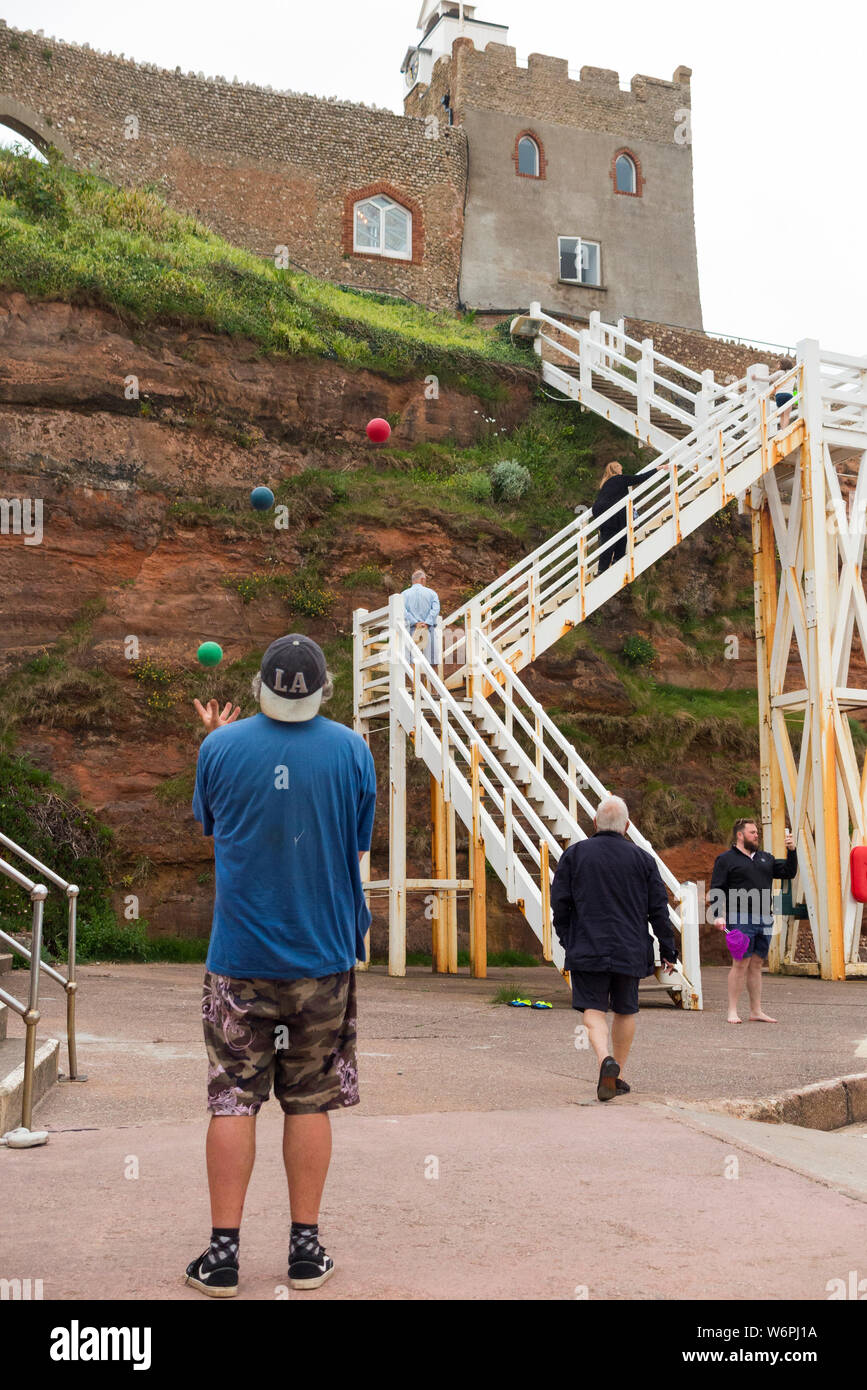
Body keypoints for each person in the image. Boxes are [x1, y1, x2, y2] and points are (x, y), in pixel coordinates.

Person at [185, 634, 376, 1297]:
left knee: (232, 1101)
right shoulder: (352, 750)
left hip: (238, 960)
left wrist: (218, 740)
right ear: (323, 691)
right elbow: (355, 841)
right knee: (309, 1101)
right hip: (321, 958)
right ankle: (303, 1252)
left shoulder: (218, 748)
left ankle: (222, 1257)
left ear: (263, 689)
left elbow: (209, 823)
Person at [551, 795, 678, 1101]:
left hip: (588, 946)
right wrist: (668, 949)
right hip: (630, 946)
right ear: (627, 826)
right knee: (625, 1010)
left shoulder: (575, 855)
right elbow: (658, 910)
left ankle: (603, 1060)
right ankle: (617, 1073)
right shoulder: (644, 860)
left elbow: (560, 904)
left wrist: (568, 938)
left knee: (593, 1011)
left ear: (594, 823)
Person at [708, 817, 796, 1024]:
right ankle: (732, 1010)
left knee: (757, 964)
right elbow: (717, 888)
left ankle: (756, 1011)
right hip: (739, 916)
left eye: (757, 832)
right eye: (752, 832)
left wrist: (792, 851)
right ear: (740, 835)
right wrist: (717, 914)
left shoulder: (766, 858)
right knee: (740, 963)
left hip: (765, 916)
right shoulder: (726, 859)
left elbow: (788, 873)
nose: (757, 835)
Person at [590, 459, 669, 574]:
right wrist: (657, 469)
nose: (622, 471)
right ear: (617, 470)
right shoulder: (620, 479)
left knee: (608, 538)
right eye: (621, 469)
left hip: (600, 511)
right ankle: (616, 560)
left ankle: (602, 568)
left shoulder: (606, 483)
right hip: (611, 512)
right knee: (619, 535)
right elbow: (640, 478)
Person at [402, 567, 440, 663]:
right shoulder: (432, 593)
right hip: (428, 629)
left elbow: (403, 610)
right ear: (422, 579)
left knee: (411, 660)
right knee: (432, 661)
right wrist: (427, 623)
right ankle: (431, 678)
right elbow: (435, 609)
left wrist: (415, 623)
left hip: (411, 630)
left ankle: (412, 678)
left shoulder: (404, 594)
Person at [772, 357, 798, 431]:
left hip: (779, 396)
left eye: (779, 364)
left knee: (782, 416)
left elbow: (771, 381)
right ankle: (784, 430)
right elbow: (796, 385)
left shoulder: (780, 374)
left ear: (782, 365)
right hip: (789, 395)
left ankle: (781, 430)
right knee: (787, 415)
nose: (777, 365)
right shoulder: (792, 376)